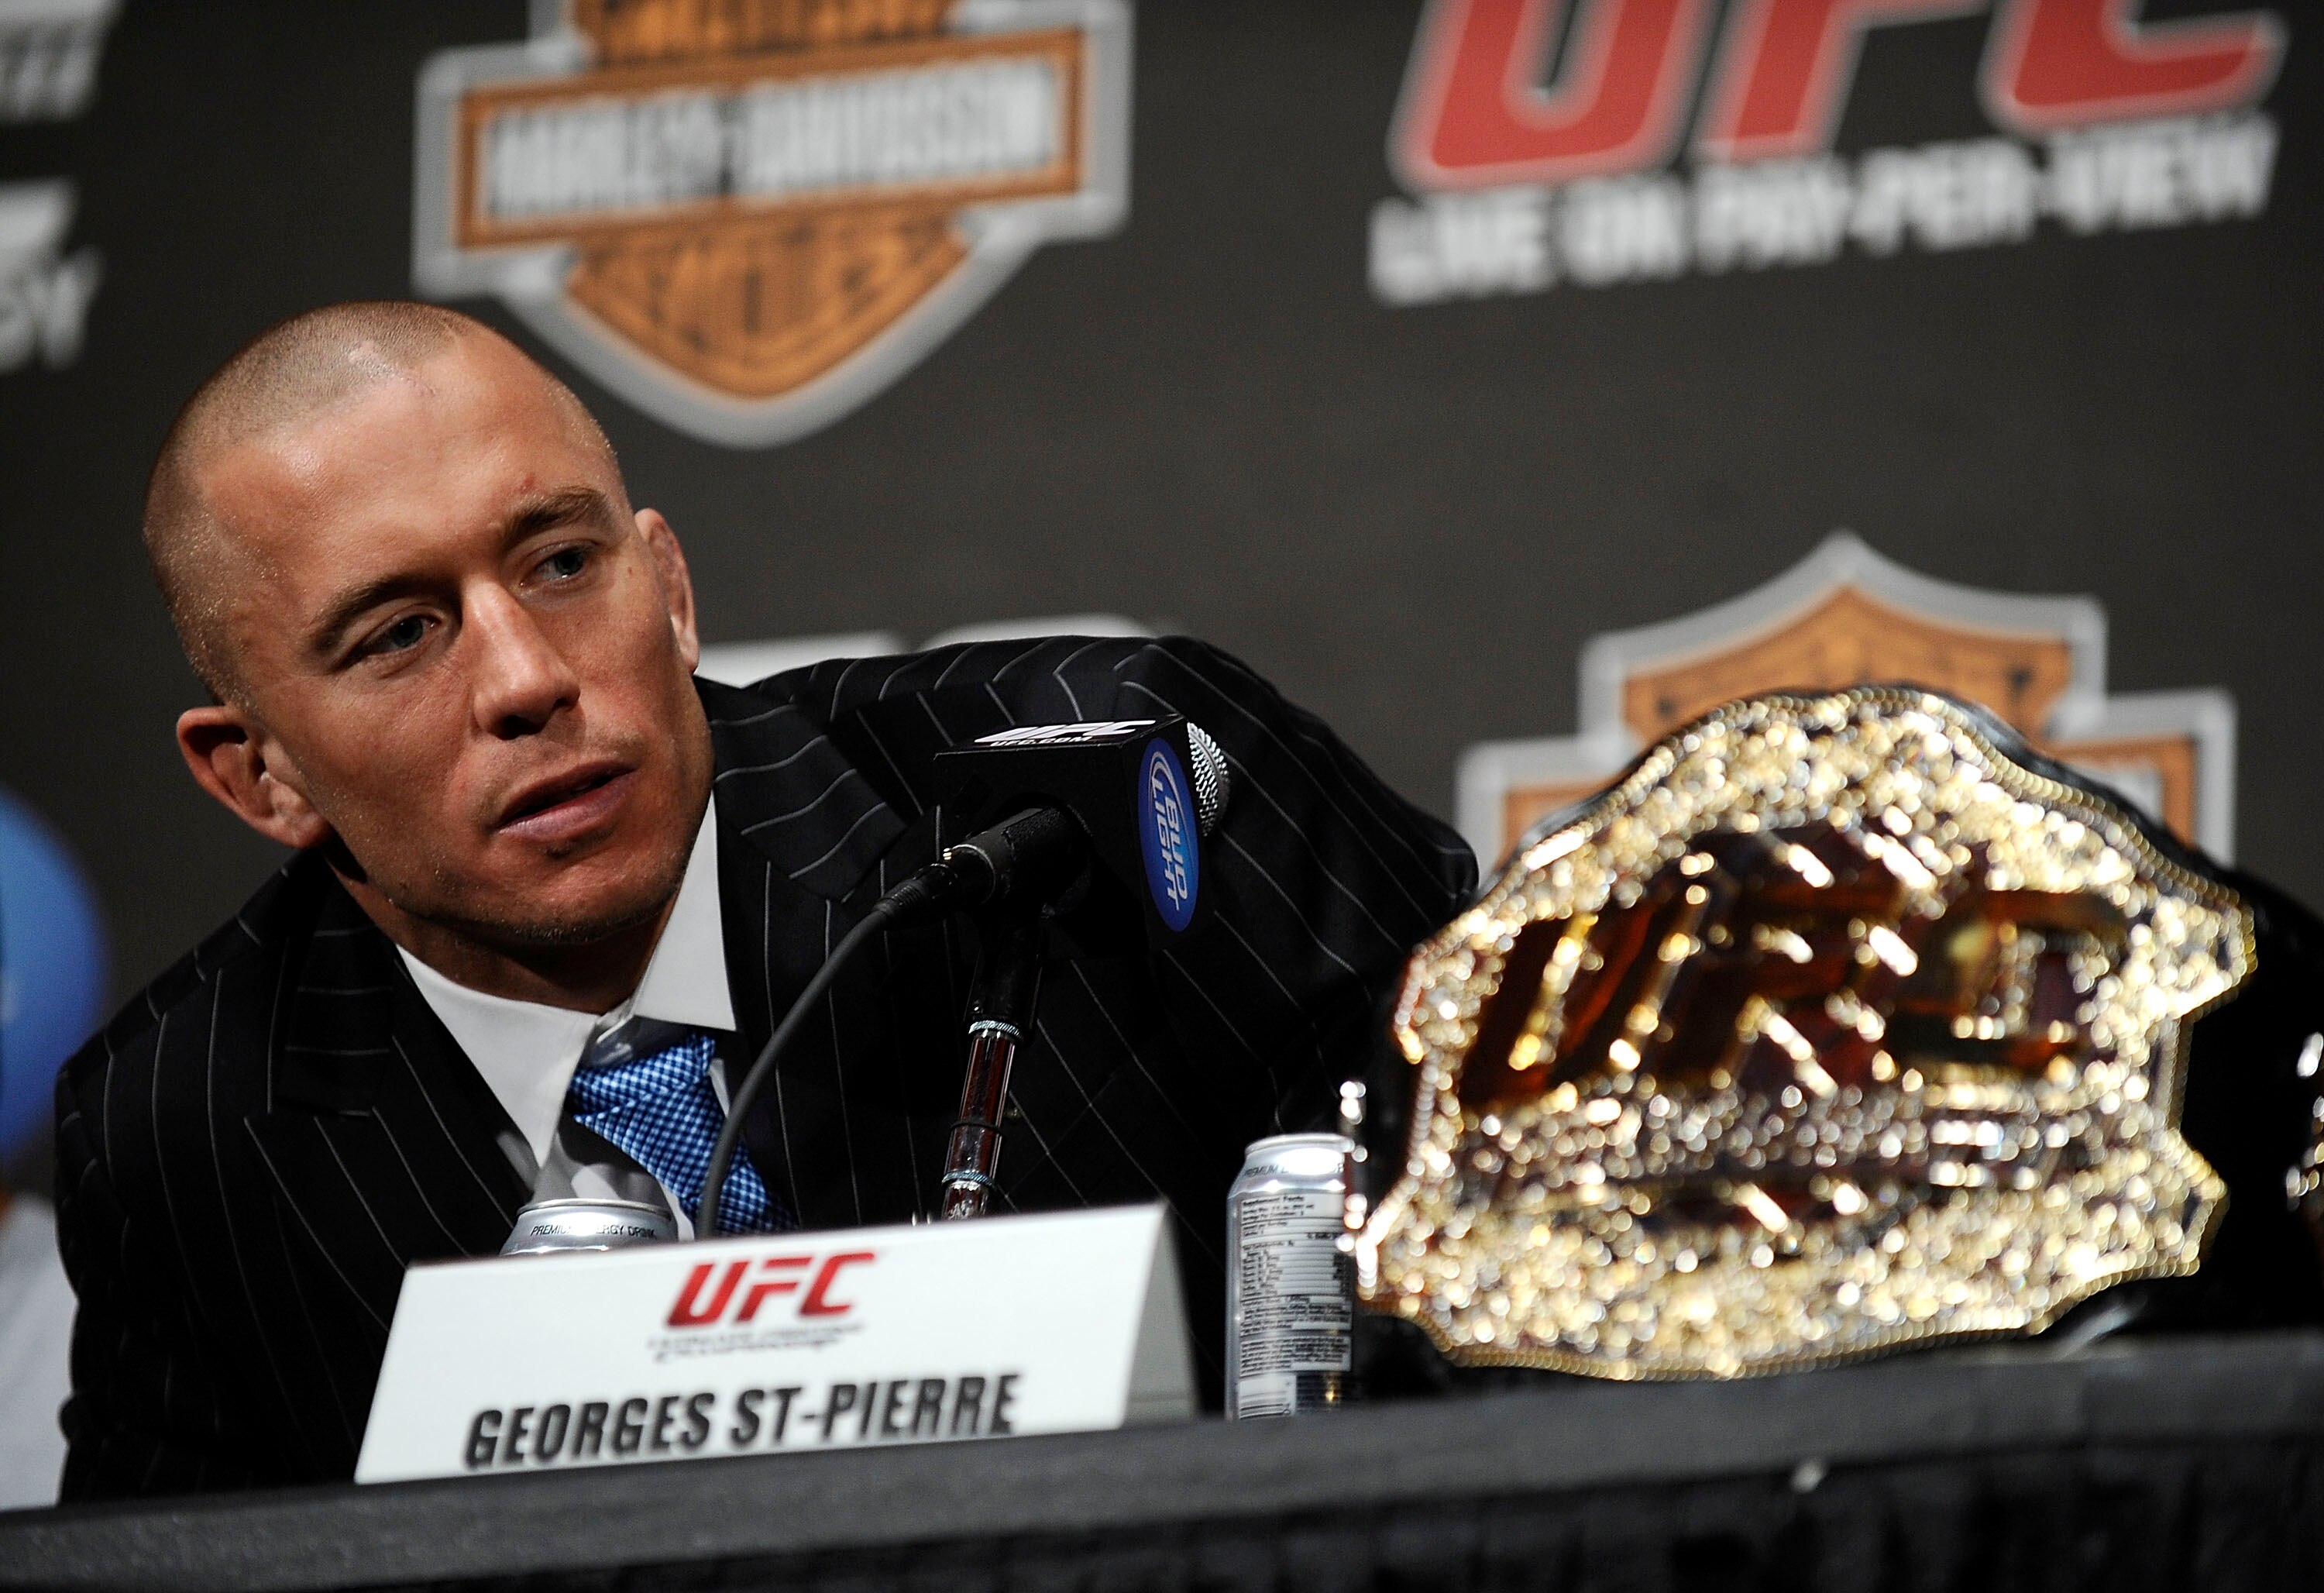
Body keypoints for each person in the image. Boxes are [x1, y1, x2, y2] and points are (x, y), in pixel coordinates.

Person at [53, 302, 1475, 1498]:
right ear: (260, 776)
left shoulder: (1120, 791)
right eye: (399, 635)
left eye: (561, 564)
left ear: (668, 590)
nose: (525, 680)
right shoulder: (184, 1126)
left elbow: (1528, 1294)